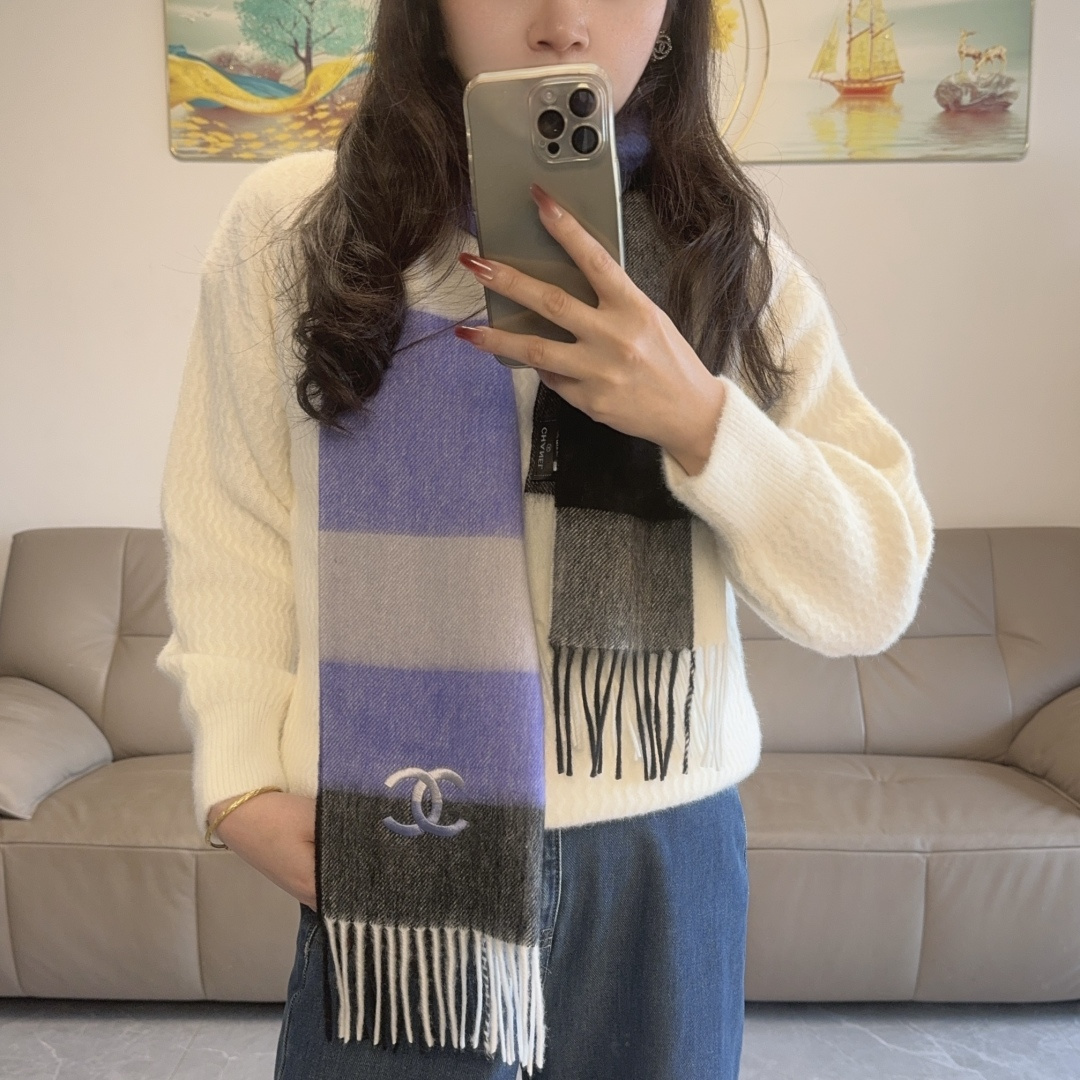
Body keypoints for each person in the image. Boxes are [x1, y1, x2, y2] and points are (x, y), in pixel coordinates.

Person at [156, 1, 934, 1078]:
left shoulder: (724, 252)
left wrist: (700, 418)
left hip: (660, 861)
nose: (563, 24)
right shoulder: (294, 226)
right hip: (402, 830)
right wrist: (239, 778)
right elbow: (231, 518)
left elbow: (875, 589)